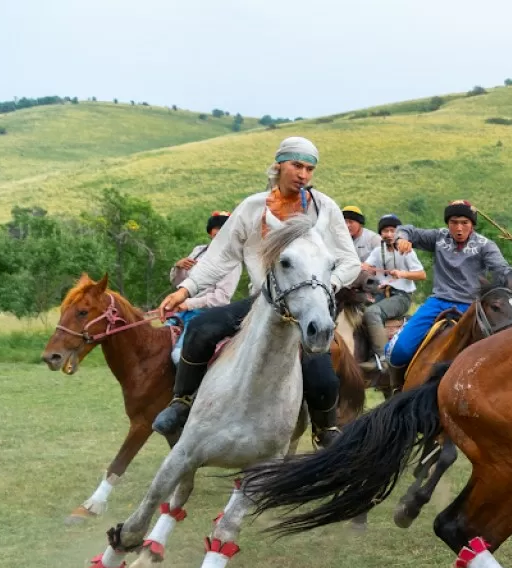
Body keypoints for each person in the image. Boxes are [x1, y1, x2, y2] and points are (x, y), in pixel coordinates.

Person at [153, 137, 361, 446]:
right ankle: (182, 402)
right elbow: (220, 256)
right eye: (297, 166)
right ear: (279, 166)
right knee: (199, 328)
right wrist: (186, 289)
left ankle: (325, 428)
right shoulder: (252, 208)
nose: (303, 174)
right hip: (261, 301)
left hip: (307, 306)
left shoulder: (325, 208)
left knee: (321, 369)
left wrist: (324, 287)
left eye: (309, 168)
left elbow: (350, 262)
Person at [387, 199, 512, 388]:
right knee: (398, 351)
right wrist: (401, 239)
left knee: (498, 356)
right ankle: (397, 391)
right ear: (448, 223)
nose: (459, 228)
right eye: (454, 222)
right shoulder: (439, 238)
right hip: (438, 302)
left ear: (472, 224)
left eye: (464, 223)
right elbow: (406, 229)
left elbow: (505, 272)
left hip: (471, 307)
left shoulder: (485, 245)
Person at [165, 211, 243, 364]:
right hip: (182, 312)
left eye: (221, 237)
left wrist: (188, 304)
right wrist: (178, 268)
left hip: (206, 314)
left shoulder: (233, 262)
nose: (217, 241)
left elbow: (221, 298)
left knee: (178, 356)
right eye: (214, 236)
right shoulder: (199, 251)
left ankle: (191, 388)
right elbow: (178, 284)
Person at [358, 214, 425, 371]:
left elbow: (422, 274)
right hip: (381, 294)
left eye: (392, 230)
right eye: (384, 231)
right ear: (380, 233)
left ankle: (383, 359)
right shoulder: (377, 251)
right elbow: (366, 267)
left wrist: (402, 274)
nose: (388, 235)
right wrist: (363, 268)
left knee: (372, 313)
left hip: (401, 296)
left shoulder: (406, 250)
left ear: (398, 233)